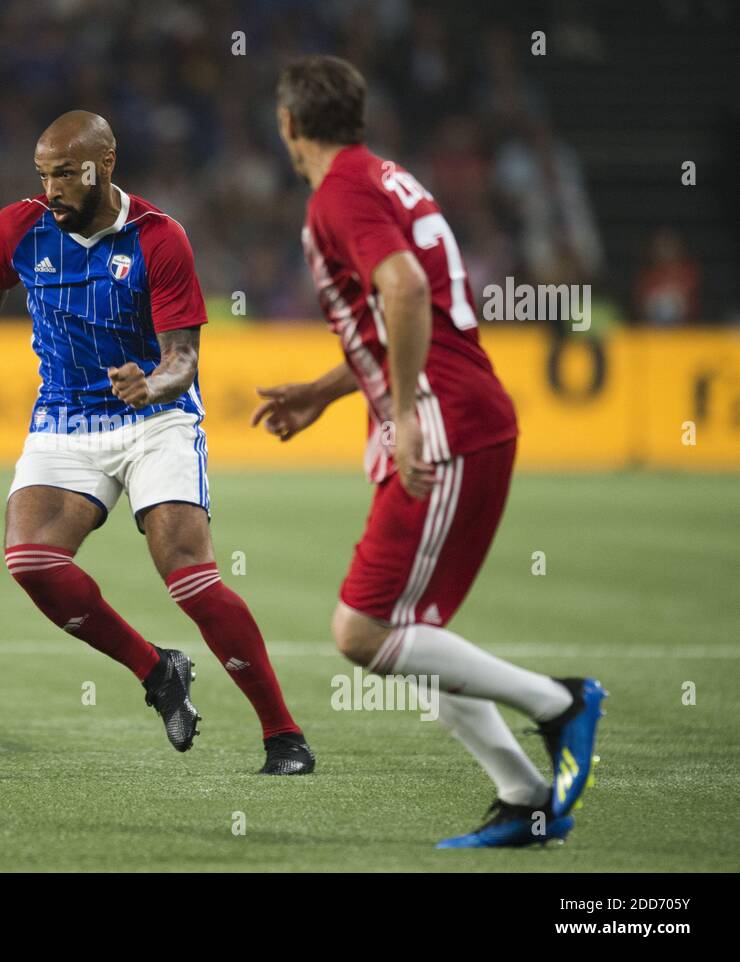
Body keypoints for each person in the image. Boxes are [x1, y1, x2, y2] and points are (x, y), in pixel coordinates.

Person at [256, 56, 606, 844]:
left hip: (446, 423)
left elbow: (406, 290)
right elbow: (402, 315)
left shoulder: (339, 192)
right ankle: (524, 799)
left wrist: (408, 411)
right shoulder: (382, 176)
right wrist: (327, 389)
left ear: (287, 124)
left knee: (363, 631)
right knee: (414, 634)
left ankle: (562, 703)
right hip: (459, 413)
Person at [0, 111, 314, 774]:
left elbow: (184, 359)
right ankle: (157, 671)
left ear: (105, 165)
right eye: (43, 174)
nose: (50, 188)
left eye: (65, 174)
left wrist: (156, 385)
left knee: (189, 577)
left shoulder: (159, 238)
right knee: (31, 561)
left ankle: (283, 735)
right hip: (65, 419)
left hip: (154, 421)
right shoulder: (18, 228)